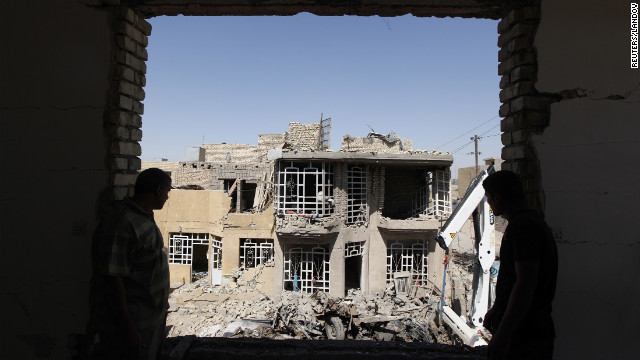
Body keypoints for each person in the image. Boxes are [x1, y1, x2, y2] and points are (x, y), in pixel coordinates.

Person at [90, 168, 172, 360]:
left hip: (149, 319)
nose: (168, 197)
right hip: (134, 322)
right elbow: (112, 279)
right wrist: (127, 328)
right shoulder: (123, 223)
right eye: (167, 191)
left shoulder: (142, 217)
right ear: (159, 190)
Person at [482, 170, 558, 360]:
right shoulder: (526, 223)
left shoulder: (524, 228)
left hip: (525, 336)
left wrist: (503, 334)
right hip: (526, 331)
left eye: (489, 199)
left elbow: (525, 284)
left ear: (498, 197)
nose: (489, 205)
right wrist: (497, 308)